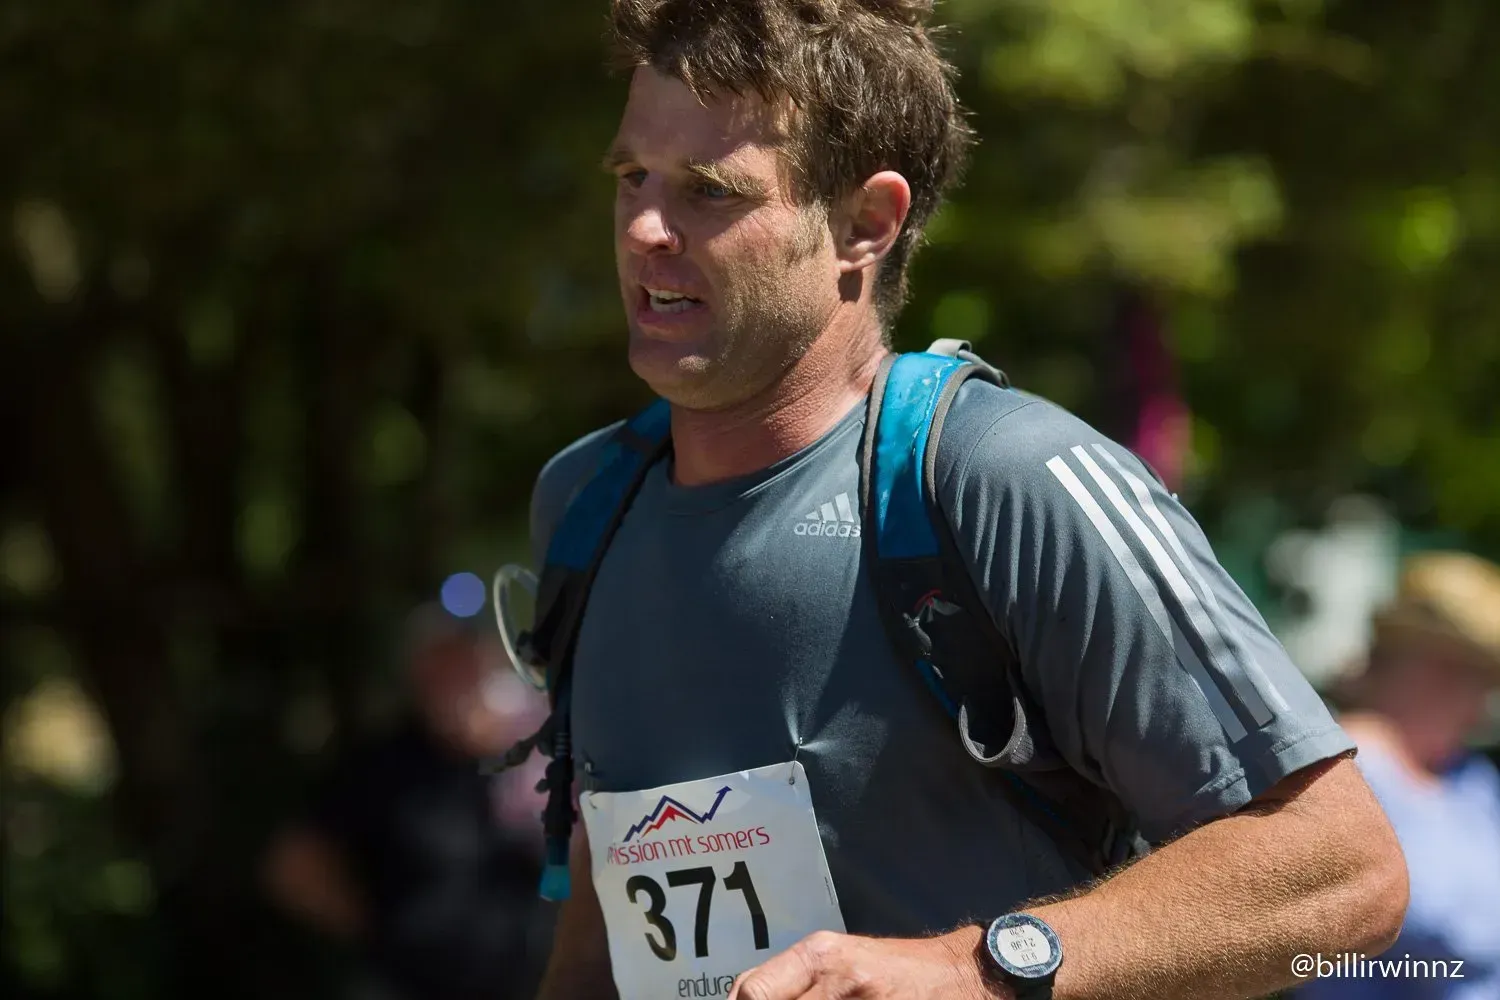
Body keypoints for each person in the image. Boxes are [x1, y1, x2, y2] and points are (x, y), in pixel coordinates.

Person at [523, 2, 1408, 998]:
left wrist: (971, 969)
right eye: (631, 177)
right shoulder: (586, 504)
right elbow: (613, 913)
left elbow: (1344, 870)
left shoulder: (1007, 478)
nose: (645, 228)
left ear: (866, 223)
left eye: (709, 190)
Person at [262, 605, 554, 1000]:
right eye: (441, 664)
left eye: (465, 660)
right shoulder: (381, 765)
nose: (456, 677)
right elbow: (292, 865)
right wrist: (375, 931)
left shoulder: (526, 754)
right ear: (416, 674)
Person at [1295, 552, 1500, 1000]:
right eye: (1479, 677)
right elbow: (1447, 927)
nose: (1484, 703)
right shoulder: (1342, 764)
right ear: (1431, 669)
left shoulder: (1472, 780)